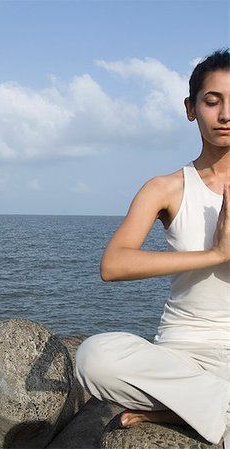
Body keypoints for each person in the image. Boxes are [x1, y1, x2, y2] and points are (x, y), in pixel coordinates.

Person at [75, 48, 230, 447]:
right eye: (212, 101)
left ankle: (186, 409)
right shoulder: (166, 188)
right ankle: (208, 405)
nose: (226, 114)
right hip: (182, 354)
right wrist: (216, 255)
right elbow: (113, 264)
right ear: (191, 109)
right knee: (94, 358)